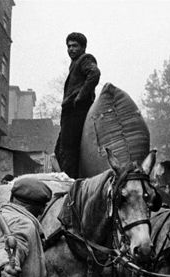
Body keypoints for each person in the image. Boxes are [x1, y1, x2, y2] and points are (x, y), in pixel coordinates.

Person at [57, 32, 101, 179]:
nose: (71, 49)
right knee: (60, 150)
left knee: (69, 151)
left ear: (83, 47)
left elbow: (94, 73)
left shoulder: (85, 59)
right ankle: (71, 179)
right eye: (68, 46)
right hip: (70, 112)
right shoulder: (74, 63)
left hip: (77, 111)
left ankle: (72, 184)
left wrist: (80, 96)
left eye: (75, 45)